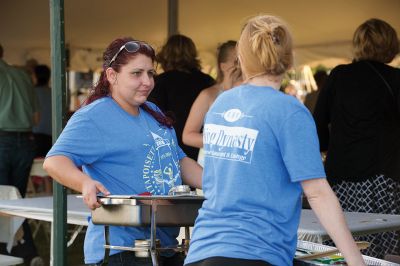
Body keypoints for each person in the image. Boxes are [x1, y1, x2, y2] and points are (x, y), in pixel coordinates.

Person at [184, 15, 365, 266]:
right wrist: (357, 261)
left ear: (242, 59)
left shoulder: (221, 104)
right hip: (257, 252)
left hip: (202, 251)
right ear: (289, 58)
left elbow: (217, 180)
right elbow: (318, 194)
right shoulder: (289, 110)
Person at [43, 37, 203, 266]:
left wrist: (216, 183)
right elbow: (54, 161)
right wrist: (84, 182)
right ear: (112, 76)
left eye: (151, 73)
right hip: (122, 251)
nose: (147, 81)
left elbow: (178, 161)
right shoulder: (95, 115)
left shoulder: (153, 111)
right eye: (136, 73)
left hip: (166, 246)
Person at [313, 18, 400, 258]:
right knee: (384, 250)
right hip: (385, 178)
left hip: (341, 178)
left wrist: (326, 148)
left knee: (342, 247)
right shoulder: (396, 79)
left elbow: (317, 123)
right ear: (391, 44)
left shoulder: (339, 75)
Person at [0, 44, 43, 265]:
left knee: (4, 199)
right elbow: (36, 117)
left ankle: (12, 252)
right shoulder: (22, 75)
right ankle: (27, 251)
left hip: (3, 139)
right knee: (15, 199)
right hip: (25, 141)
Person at [149, 34, 215, 161]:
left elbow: (152, 119)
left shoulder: (159, 83)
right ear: (193, 54)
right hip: (199, 148)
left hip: (168, 150)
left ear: (165, 54)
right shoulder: (208, 82)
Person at [182, 40, 241, 153]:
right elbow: (188, 136)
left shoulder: (250, 94)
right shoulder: (208, 95)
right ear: (223, 66)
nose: (242, 65)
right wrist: (226, 142)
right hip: (213, 163)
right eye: (237, 61)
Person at [33, 64, 52, 157]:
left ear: (35, 77)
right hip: (52, 136)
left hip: (34, 137)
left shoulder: (31, 92)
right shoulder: (54, 93)